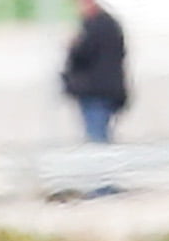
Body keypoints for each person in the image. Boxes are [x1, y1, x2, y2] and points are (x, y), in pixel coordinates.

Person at [64, 0, 129, 146]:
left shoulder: (97, 26)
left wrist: (73, 45)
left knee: (97, 139)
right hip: (105, 90)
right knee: (99, 135)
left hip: (96, 91)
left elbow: (82, 54)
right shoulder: (107, 24)